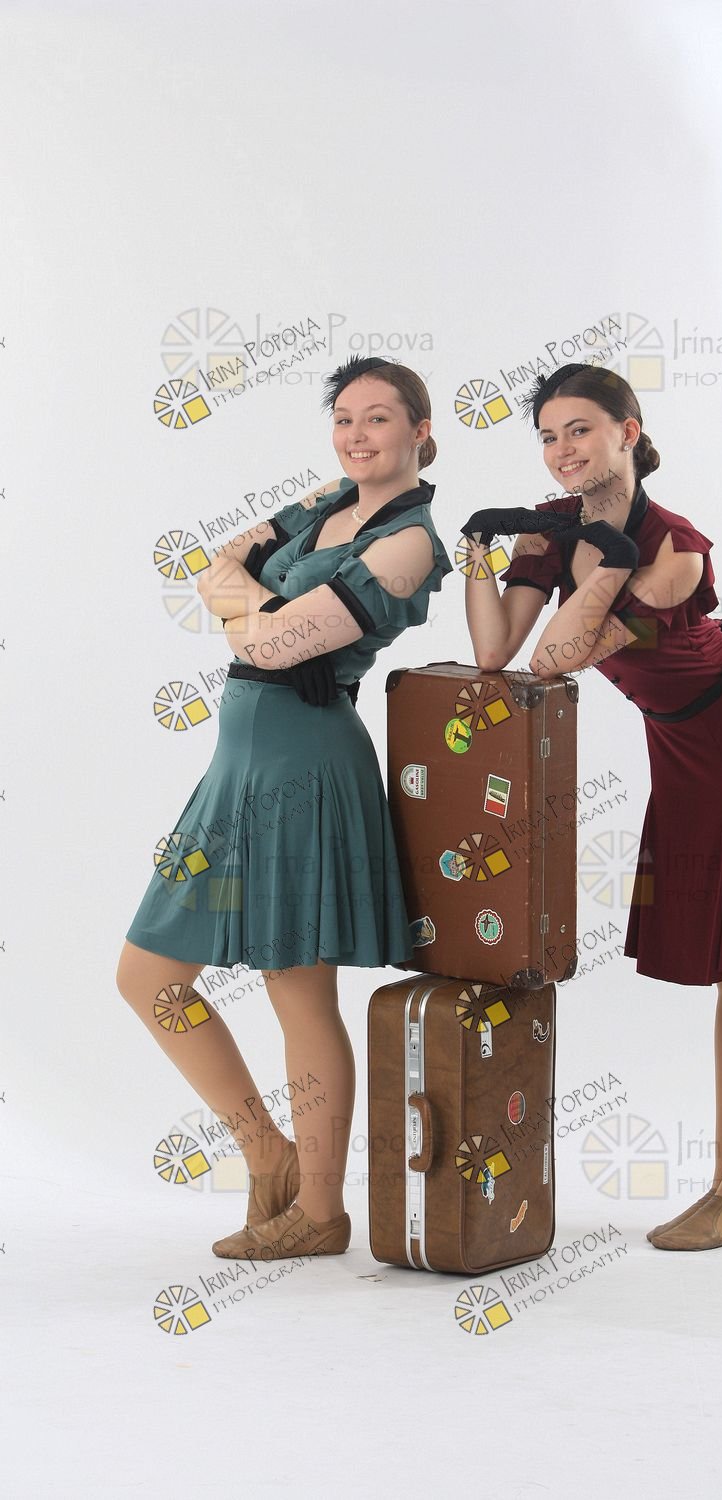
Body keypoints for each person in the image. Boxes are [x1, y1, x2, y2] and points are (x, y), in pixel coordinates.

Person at [460, 362, 722, 1252]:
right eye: (549, 436)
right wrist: (480, 553)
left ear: (628, 433)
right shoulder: (551, 527)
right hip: (686, 751)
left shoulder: (675, 548)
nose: (562, 450)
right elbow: (494, 649)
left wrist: (606, 556)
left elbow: (557, 656)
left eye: (581, 430)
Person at [117, 356, 453, 1261]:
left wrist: (253, 614)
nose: (357, 435)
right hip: (234, 770)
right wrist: (261, 614)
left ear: (420, 430)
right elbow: (214, 571)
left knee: (297, 990)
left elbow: (268, 642)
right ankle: (267, 1152)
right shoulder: (319, 504)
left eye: (378, 418)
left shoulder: (409, 541)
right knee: (149, 978)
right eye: (344, 418)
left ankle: (320, 1208)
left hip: (307, 771)